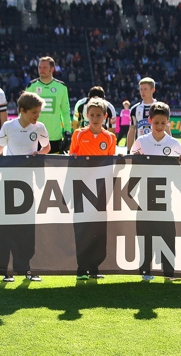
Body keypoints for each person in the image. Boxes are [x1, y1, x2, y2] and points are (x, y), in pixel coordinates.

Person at [0, 92, 50, 283]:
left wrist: (39, 152)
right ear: (22, 111)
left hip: (28, 184)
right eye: (34, 112)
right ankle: (3, 269)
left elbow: (47, 147)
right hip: (8, 181)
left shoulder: (40, 127)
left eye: (39, 112)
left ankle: (26, 267)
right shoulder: (9, 126)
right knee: (3, 224)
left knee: (26, 226)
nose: (37, 116)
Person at [130, 101, 181, 282]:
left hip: (165, 198)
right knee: (145, 235)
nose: (160, 126)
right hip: (144, 196)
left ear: (168, 122)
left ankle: (169, 272)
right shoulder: (141, 141)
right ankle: (146, 271)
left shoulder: (173, 143)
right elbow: (131, 164)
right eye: (156, 123)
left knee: (168, 235)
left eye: (163, 123)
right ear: (149, 121)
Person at [69, 98, 117, 280]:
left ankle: (95, 266)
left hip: (101, 189)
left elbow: (110, 162)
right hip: (82, 187)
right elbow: (72, 156)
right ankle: (81, 266)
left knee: (98, 227)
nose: (95, 118)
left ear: (105, 116)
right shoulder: (79, 134)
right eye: (92, 115)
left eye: (99, 115)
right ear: (86, 116)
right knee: (82, 226)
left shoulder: (110, 137)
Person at [26, 56, 71, 154]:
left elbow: (65, 112)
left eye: (45, 67)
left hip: (54, 137)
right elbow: (24, 111)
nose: (41, 70)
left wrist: (67, 132)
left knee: (54, 168)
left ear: (52, 69)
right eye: (39, 67)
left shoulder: (61, 87)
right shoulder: (31, 86)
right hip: (34, 136)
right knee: (34, 166)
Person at [126, 77, 158, 153]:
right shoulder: (134, 109)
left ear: (153, 90)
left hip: (157, 148)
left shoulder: (160, 107)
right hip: (140, 149)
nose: (142, 92)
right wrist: (128, 150)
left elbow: (166, 129)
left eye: (145, 89)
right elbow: (132, 130)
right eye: (141, 89)